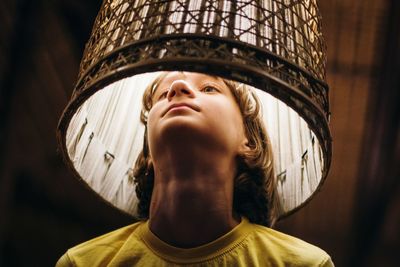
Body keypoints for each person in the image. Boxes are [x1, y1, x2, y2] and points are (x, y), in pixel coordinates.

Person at [56, 71, 334, 266]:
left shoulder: (303, 264)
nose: (178, 87)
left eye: (209, 88)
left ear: (248, 141)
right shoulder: (83, 263)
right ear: (148, 153)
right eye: (164, 92)